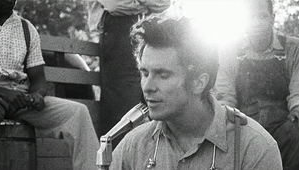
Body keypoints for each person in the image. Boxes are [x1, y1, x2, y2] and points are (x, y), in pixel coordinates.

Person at [110, 15, 283, 170]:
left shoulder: (253, 148)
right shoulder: (133, 147)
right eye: (145, 73)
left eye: (163, 75)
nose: (147, 86)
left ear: (199, 83)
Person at [0, 0, 99, 169]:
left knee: (78, 112)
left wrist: (37, 95)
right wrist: (3, 93)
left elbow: (38, 79)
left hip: (21, 97)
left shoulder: (26, 28)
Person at [213, 0, 299, 169]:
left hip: (282, 128)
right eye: (250, 17)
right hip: (244, 127)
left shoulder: (295, 48)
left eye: (262, 16)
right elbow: (225, 96)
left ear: (272, 18)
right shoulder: (229, 51)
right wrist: (225, 121)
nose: (256, 23)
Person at [86, 0, 171, 140]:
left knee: (151, 101)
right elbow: (114, 5)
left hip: (143, 31)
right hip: (117, 33)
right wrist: (143, 6)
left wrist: (136, 5)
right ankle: (118, 159)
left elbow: (162, 3)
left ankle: (150, 156)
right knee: (122, 108)